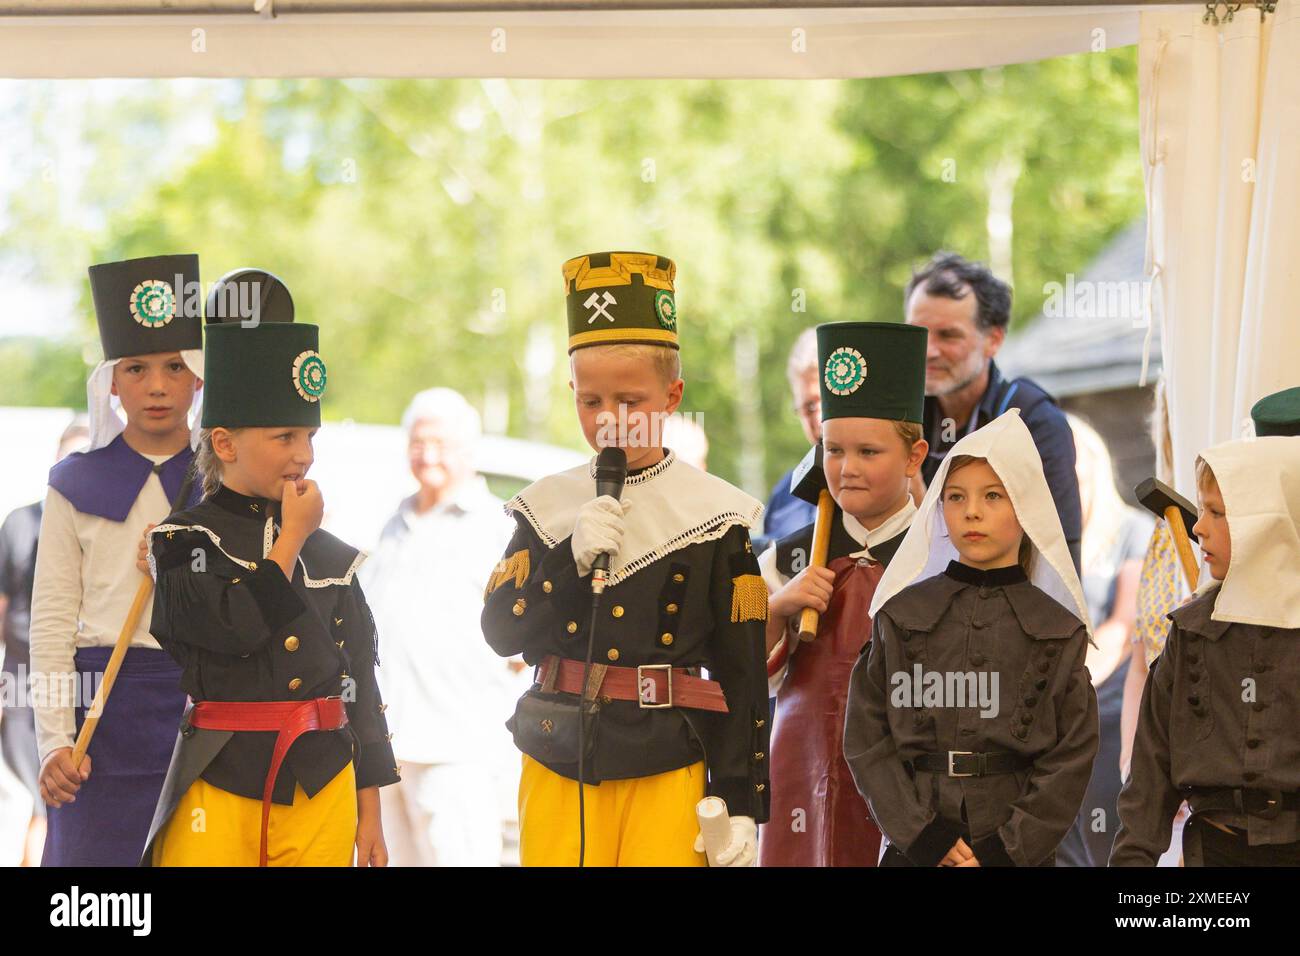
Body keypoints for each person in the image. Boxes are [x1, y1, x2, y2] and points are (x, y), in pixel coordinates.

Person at [481, 250, 770, 867]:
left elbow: (741, 669)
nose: (610, 420)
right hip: (559, 754)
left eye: (631, 401)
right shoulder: (548, 506)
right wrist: (566, 560)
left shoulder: (715, 516)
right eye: (591, 402)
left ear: (673, 395)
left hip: (669, 757)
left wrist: (742, 797)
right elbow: (501, 631)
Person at [141, 269, 398, 866]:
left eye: (309, 435)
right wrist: (289, 542)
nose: (303, 454)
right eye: (284, 436)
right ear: (225, 444)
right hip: (219, 780)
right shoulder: (182, 540)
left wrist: (371, 808)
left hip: (322, 780)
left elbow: (360, 683)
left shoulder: (333, 555)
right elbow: (233, 628)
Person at [844, 409, 1099, 866]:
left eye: (993, 496)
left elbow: (1071, 757)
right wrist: (922, 837)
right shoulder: (900, 615)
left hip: (1015, 851)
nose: (972, 511)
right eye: (956, 497)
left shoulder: (1059, 630)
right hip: (915, 849)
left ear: (1027, 509)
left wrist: (1008, 851)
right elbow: (867, 737)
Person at [30, 254, 204, 866]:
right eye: (137, 368)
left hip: (199, 717)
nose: (156, 385)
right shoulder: (71, 483)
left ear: (198, 379)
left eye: (174, 367)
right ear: (112, 381)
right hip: (95, 720)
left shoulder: (226, 488)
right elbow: (50, 625)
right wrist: (53, 741)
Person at [757, 321, 928, 867]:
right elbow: (749, 672)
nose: (847, 469)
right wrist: (777, 610)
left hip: (910, 786)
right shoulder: (787, 559)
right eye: (833, 450)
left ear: (914, 456)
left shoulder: (941, 558)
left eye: (869, 452)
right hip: (802, 774)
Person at [1110, 431, 1300, 866]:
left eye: (1218, 512)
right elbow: (1150, 775)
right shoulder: (1192, 631)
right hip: (1213, 852)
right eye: (1203, 509)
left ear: (1268, 521)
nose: (1198, 526)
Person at [362, 387, 518, 866]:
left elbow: (520, 647)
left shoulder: (496, 527)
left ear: (469, 451)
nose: (427, 455)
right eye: (417, 442)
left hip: (458, 747)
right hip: (388, 743)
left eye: (440, 444)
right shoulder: (394, 519)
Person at [905, 252, 1082, 573]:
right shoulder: (900, 417)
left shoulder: (1033, 421)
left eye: (948, 335)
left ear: (994, 340)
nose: (929, 350)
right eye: (918, 335)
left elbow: (1059, 557)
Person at [1055, 415, 1152, 866]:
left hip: (1108, 712)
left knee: (1108, 836)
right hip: (1052, 715)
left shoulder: (1134, 532)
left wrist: (1072, 686)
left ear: (1093, 462)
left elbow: (1124, 626)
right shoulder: (1043, 542)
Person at [0, 417, 89, 866]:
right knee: (32, 797)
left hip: (82, 682)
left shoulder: (98, 523)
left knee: (55, 799)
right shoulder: (19, 522)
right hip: (19, 683)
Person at [757, 328, 820, 550]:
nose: (821, 417)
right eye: (809, 406)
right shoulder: (784, 498)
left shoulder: (885, 486)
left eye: (829, 402)